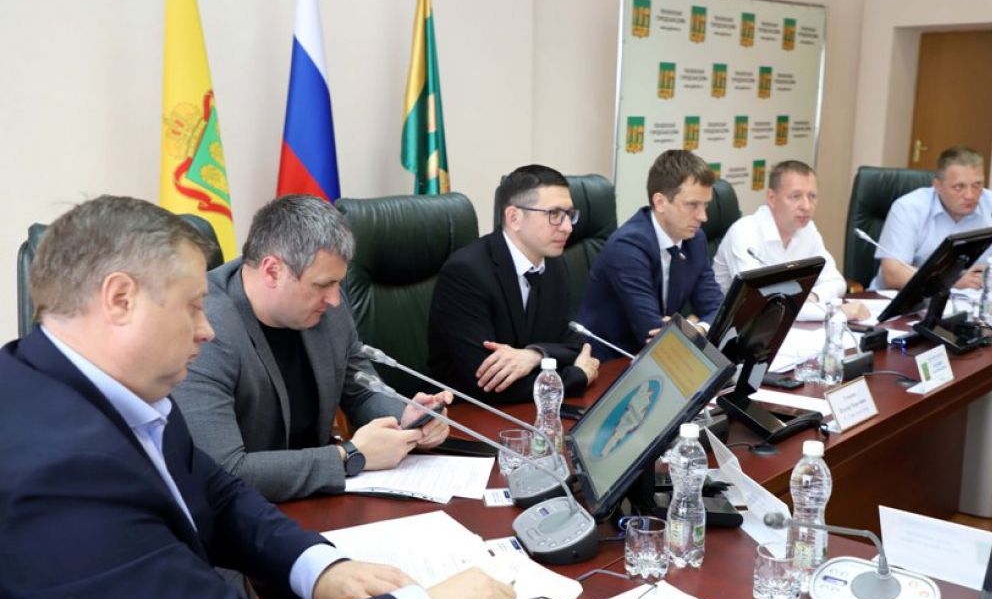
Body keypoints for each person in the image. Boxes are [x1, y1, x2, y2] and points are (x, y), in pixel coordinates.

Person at [0, 195, 515, 599]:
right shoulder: (55, 465)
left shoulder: (116, 388)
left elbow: (219, 495)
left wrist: (320, 569)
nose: (205, 328)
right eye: (192, 306)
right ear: (120, 300)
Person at [174, 195, 451, 502]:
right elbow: (225, 471)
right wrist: (348, 456)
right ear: (272, 271)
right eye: (322, 285)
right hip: (245, 511)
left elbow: (361, 390)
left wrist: (408, 418)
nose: (335, 299)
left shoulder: (328, 306)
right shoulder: (206, 331)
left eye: (337, 283)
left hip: (322, 499)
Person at [428, 164, 599, 403]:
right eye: (554, 214)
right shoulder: (466, 273)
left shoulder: (554, 264)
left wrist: (535, 355)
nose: (568, 227)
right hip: (466, 412)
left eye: (569, 214)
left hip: (529, 408)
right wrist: (576, 377)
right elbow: (490, 382)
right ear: (514, 218)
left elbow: (576, 346)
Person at [576, 149, 725, 359]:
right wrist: (690, 325)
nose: (703, 216)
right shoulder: (627, 247)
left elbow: (717, 308)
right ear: (660, 202)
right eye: (692, 205)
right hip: (610, 361)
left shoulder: (694, 239)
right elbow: (653, 332)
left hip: (662, 358)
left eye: (705, 205)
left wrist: (697, 328)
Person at [712, 159, 870, 321]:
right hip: (736, 325)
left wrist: (813, 297)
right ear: (771, 197)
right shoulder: (745, 232)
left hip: (790, 325)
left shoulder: (807, 230)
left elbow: (836, 281)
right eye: (796, 196)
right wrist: (836, 313)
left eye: (812, 196)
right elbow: (764, 304)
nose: (806, 206)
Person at [872, 146, 992, 290]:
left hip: (975, 302)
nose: (970, 195)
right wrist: (951, 281)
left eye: (977, 185)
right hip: (908, 299)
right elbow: (893, 274)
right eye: (959, 187)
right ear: (937, 186)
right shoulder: (909, 208)